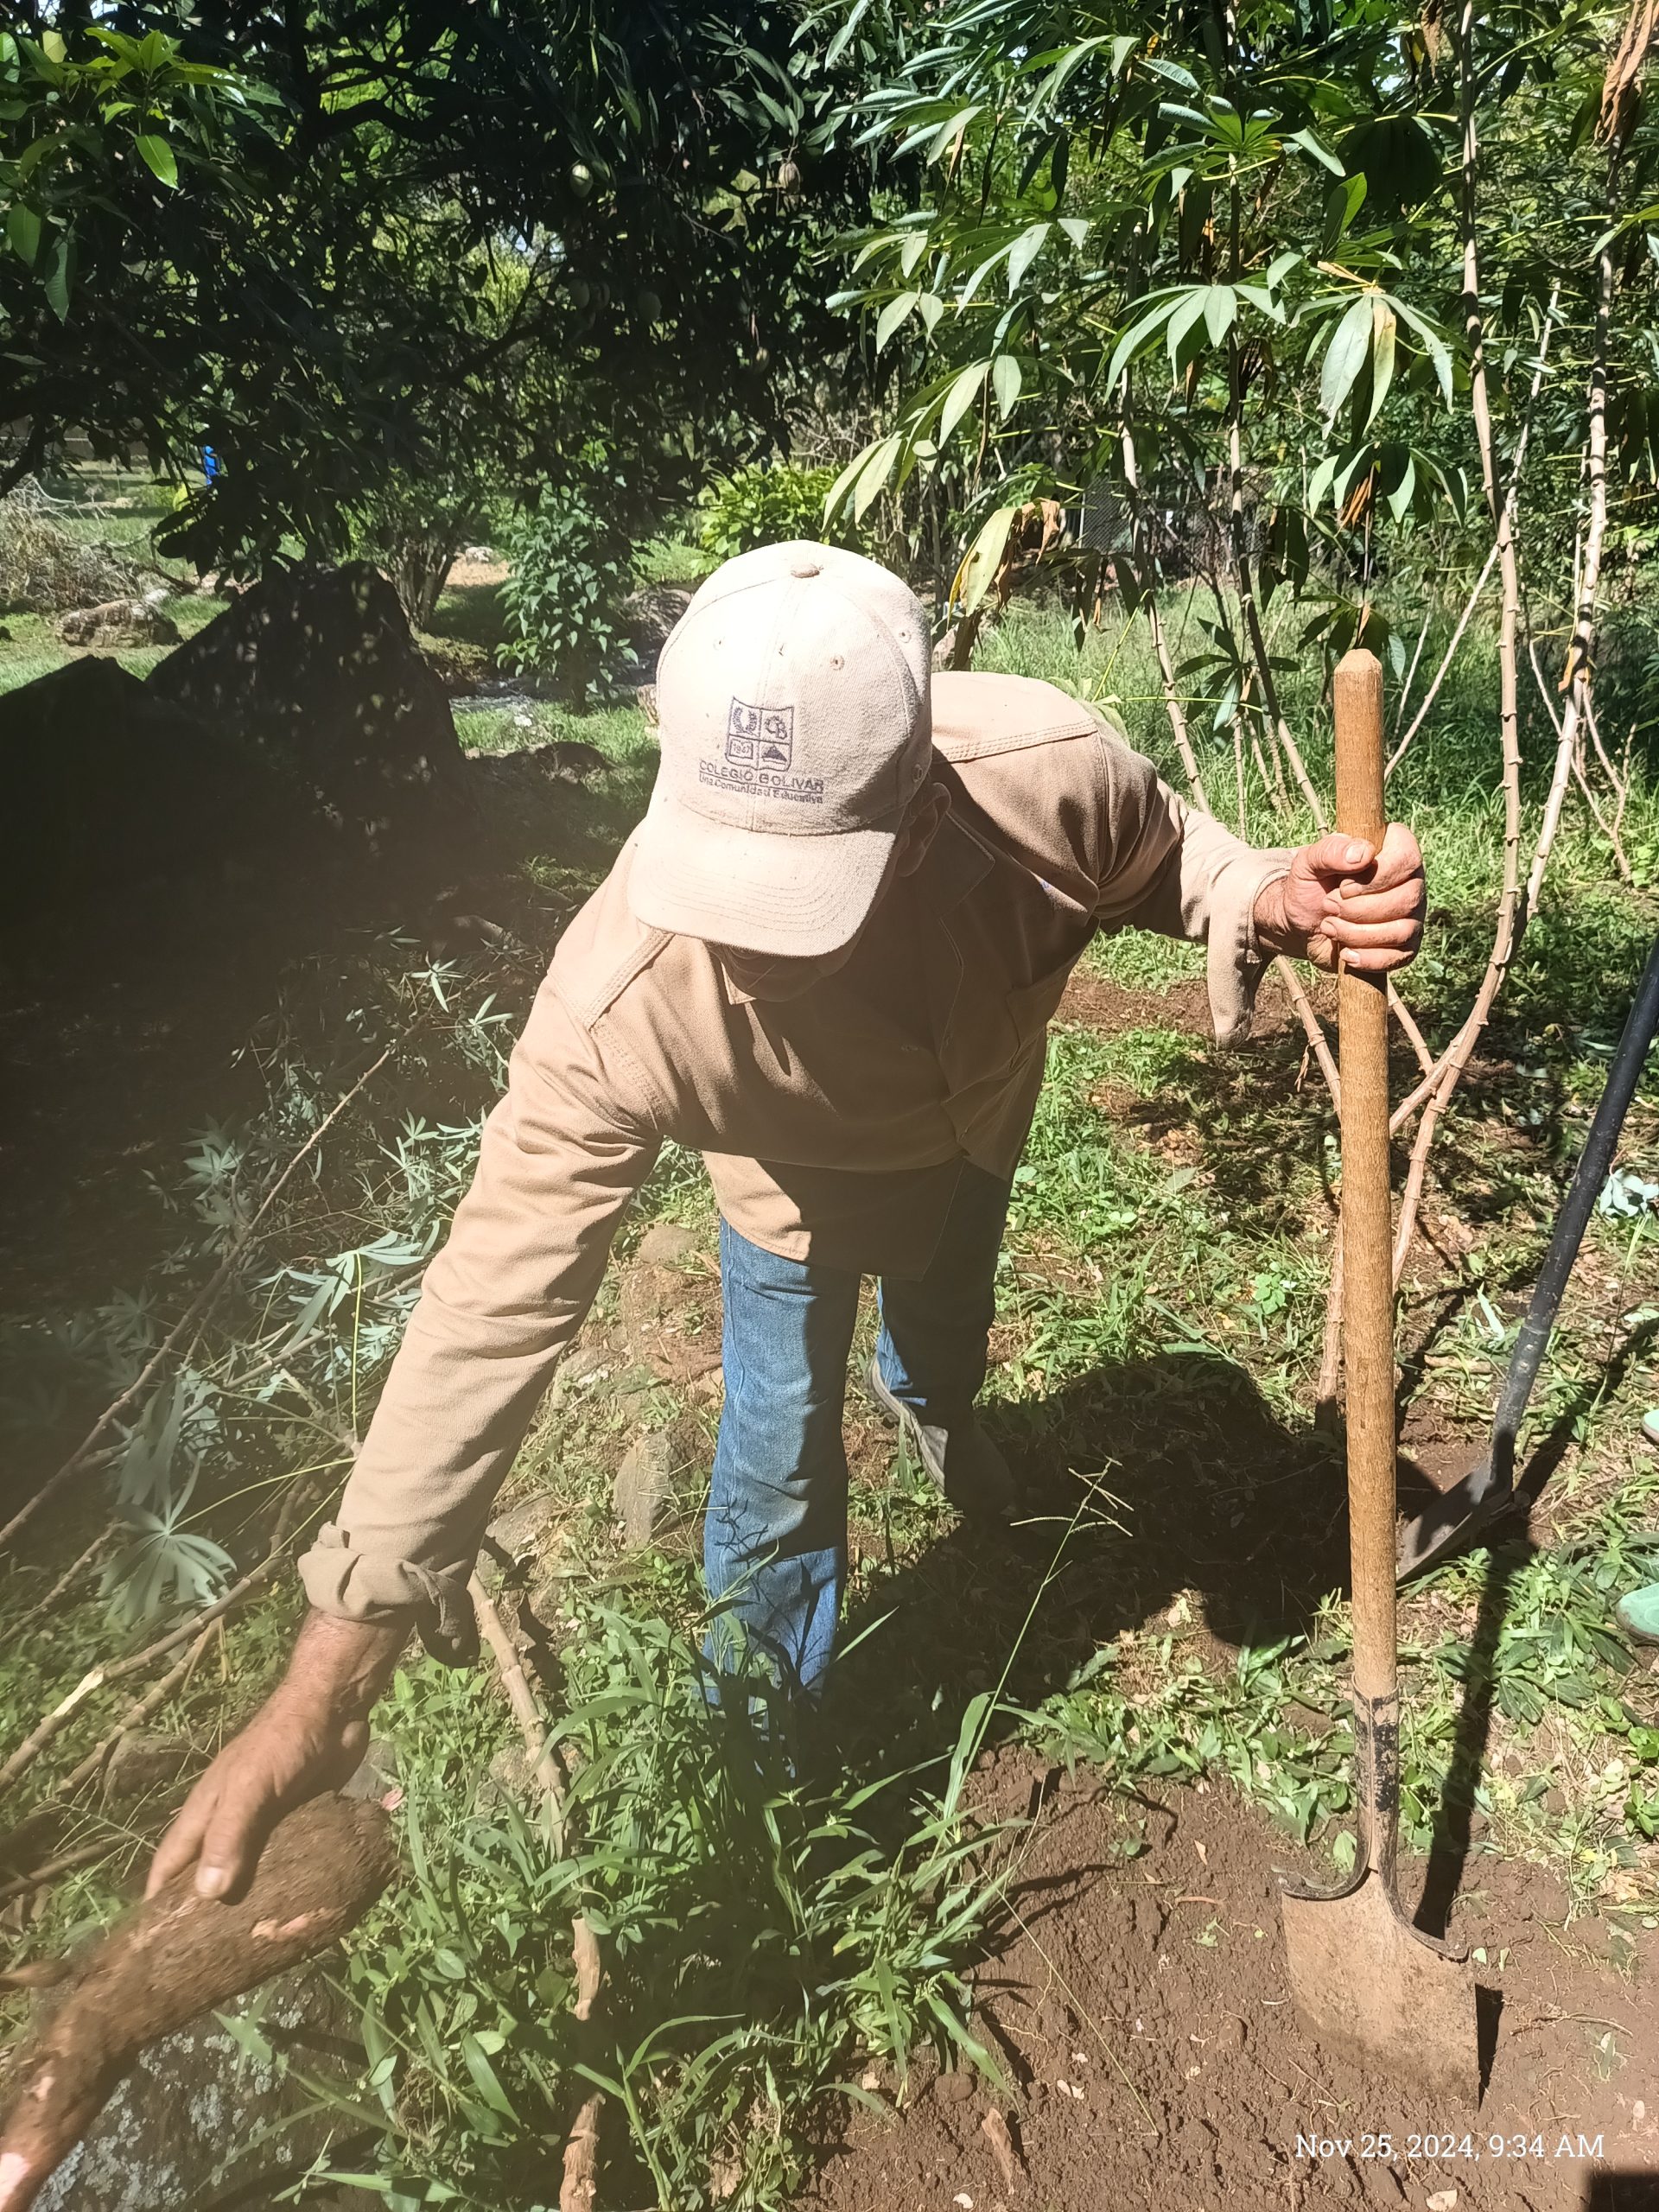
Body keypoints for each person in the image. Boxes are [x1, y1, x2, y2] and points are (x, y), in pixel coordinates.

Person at [149, 542, 1426, 1900]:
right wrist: (332, 1672)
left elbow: (1170, 859)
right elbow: (492, 1299)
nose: (741, 942)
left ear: (919, 821)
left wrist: (1268, 897)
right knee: (772, 1465)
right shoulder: (618, 1003)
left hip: (975, 1127)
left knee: (946, 1330)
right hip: (786, 1201)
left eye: (791, 894)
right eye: (719, 877)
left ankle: (935, 1408)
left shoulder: (1047, 771)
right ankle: (760, 1770)